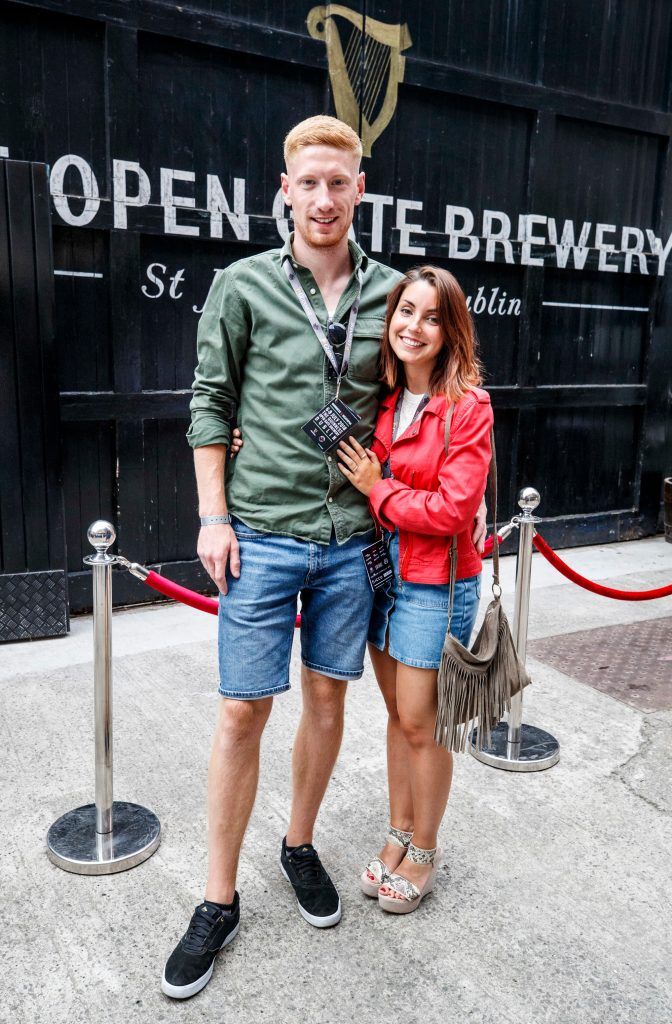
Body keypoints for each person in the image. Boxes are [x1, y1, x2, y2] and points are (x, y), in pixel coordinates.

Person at [163, 115, 485, 999]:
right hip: (261, 537)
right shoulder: (242, 285)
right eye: (308, 182)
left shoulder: (392, 294)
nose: (323, 198)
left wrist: (459, 456)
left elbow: (430, 378)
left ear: (359, 191)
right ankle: (217, 899)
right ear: (284, 188)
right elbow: (207, 402)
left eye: (338, 183)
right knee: (240, 715)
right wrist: (211, 516)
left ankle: (299, 845)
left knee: (328, 702)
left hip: (355, 546)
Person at [335, 265, 493, 914]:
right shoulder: (384, 400)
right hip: (384, 574)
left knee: (424, 726)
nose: (414, 327)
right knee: (398, 718)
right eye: (406, 312)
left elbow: (453, 512)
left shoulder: (469, 407)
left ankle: (424, 849)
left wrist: (378, 488)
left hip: (437, 581)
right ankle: (398, 831)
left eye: (431, 317)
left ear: (451, 329)